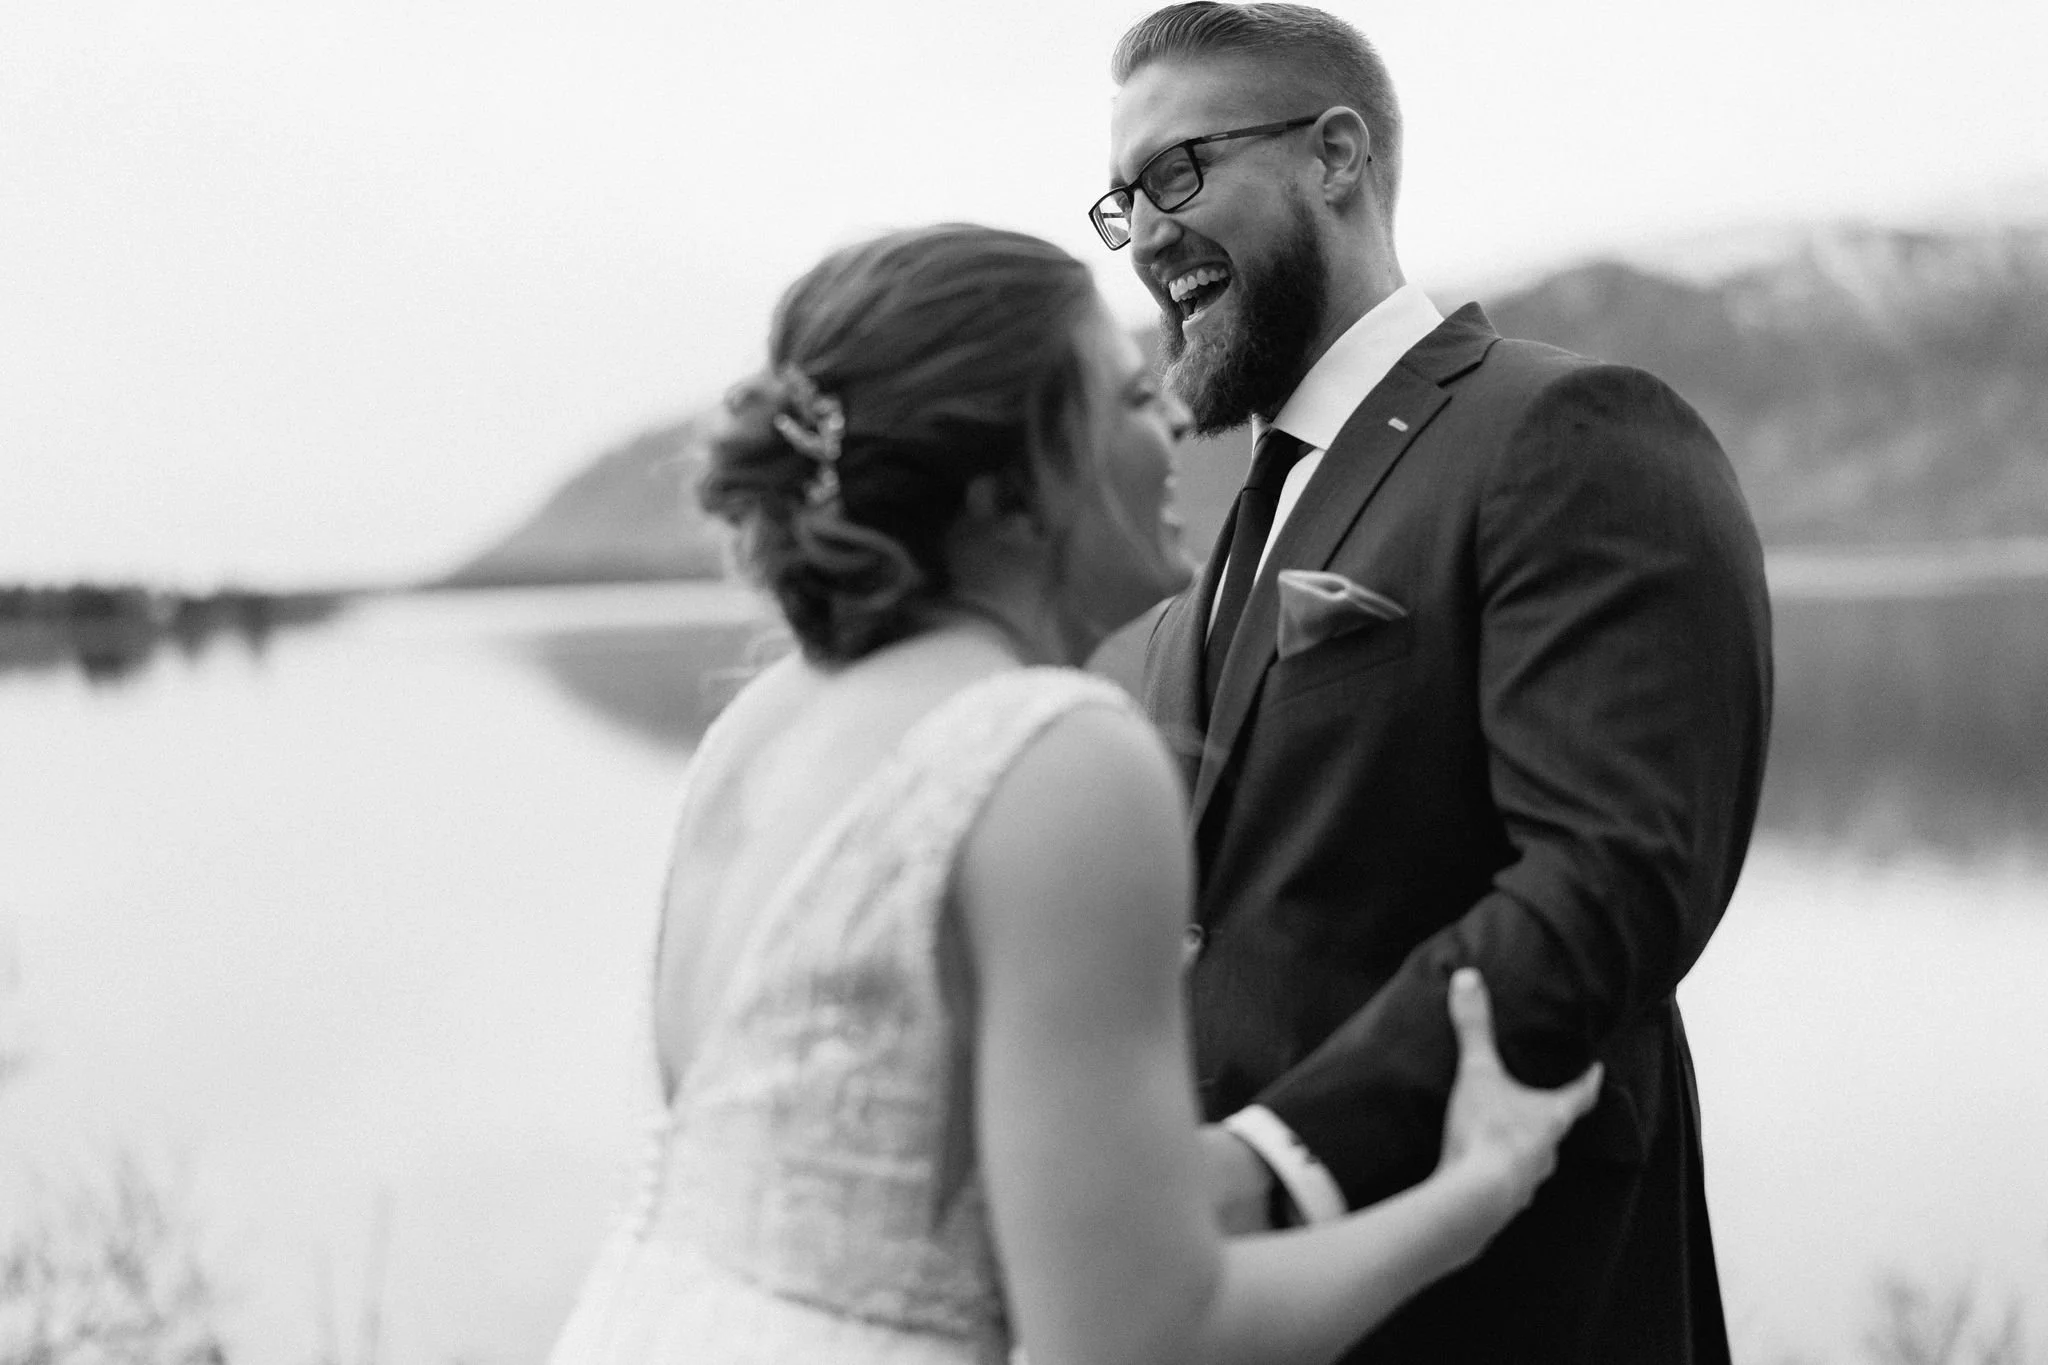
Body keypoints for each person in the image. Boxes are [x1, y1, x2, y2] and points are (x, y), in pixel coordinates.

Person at [544, 223, 1603, 1365]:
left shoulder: (758, 724)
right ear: (1010, 486)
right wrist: (1472, 1194)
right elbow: (1139, 1344)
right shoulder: (1052, 757)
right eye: (1130, 397)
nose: (1177, 421)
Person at [1092, 5, 1774, 1363]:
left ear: (1335, 155)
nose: (1147, 234)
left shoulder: (1569, 431)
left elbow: (1614, 877)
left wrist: (1280, 1157)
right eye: (1123, 203)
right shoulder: (1206, 563)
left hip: (1514, 1303)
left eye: (1177, 172)